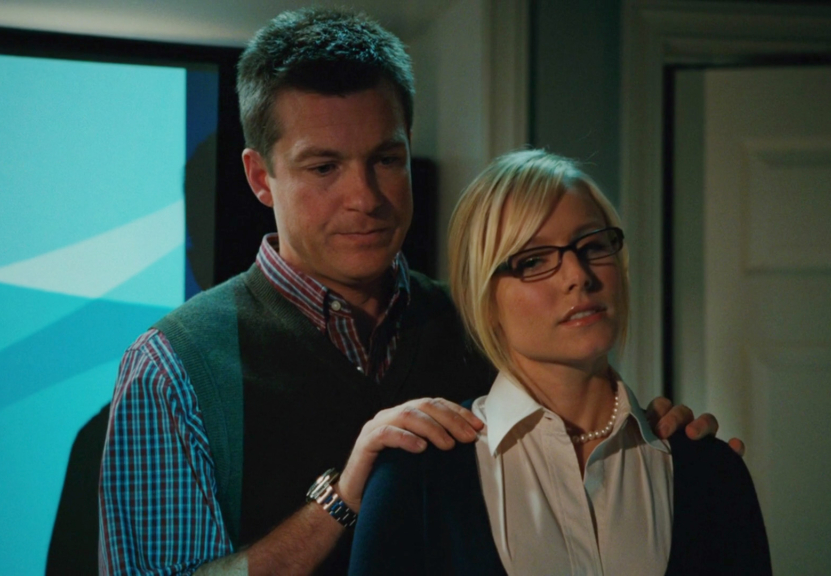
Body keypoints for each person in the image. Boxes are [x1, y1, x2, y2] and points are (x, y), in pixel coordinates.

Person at [98, 9, 729, 576]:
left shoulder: (484, 324)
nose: (365, 197)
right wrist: (342, 497)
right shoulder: (174, 367)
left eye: (386, 159)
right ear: (260, 177)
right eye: (324, 167)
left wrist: (653, 444)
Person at [349, 150, 771, 575]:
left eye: (593, 245)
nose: (578, 275)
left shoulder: (711, 472)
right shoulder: (414, 478)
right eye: (533, 260)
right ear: (485, 298)